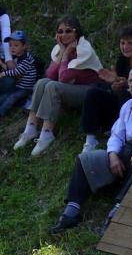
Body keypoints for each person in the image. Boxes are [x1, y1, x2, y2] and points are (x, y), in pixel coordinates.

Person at [49, 66, 132, 234]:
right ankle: (71, 212)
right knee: (85, 160)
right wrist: (112, 155)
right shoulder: (128, 106)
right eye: (130, 81)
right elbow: (117, 134)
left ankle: (117, 214)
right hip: (125, 153)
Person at [14, 17, 102, 156]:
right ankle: (30, 128)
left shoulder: (84, 50)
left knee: (53, 86)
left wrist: (66, 55)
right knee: (42, 82)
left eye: (68, 31)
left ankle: (47, 133)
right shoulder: (59, 49)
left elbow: (63, 78)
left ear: (77, 32)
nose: (64, 35)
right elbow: (49, 75)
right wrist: (62, 51)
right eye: (60, 31)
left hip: (89, 92)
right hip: (70, 89)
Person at [79, 26, 132, 151]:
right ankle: (90, 138)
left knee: (125, 93)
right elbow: (118, 84)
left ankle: (125, 134)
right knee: (93, 92)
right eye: (122, 43)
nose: (125, 47)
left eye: (130, 43)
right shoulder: (123, 61)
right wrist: (114, 85)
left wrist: (127, 84)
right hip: (121, 103)